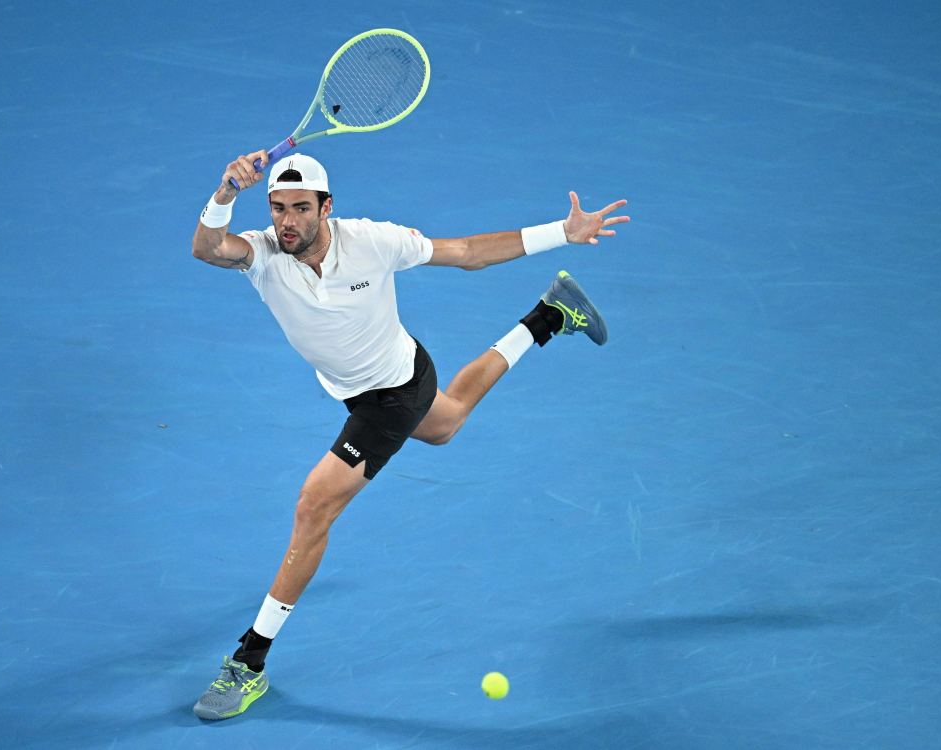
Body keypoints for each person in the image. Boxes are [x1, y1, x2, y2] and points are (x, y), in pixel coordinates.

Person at [189, 149, 629, 720]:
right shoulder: (263, 254)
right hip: (371, 384)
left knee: (314, 508)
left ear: (328, 207)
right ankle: (550, 314)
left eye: (301, 208)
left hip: (391, 394)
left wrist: (561, 233)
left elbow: (466, 253)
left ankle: (249, 661)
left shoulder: (372, 240)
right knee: (446, 424)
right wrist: (224, 192)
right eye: (277, 208)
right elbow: (207, 247)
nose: (287, 221)